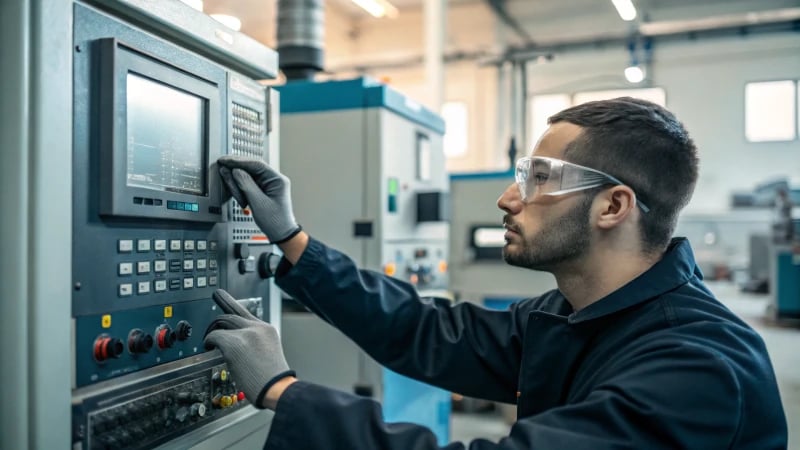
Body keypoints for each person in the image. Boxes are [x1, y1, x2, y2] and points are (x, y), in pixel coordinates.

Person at [204, 97, 788, 449]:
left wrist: (284, 392)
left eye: (538, 179)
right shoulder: (575, 315)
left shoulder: (696, 366)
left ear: (613, 207)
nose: (510, 198)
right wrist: (292, 239)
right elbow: (423, 331)